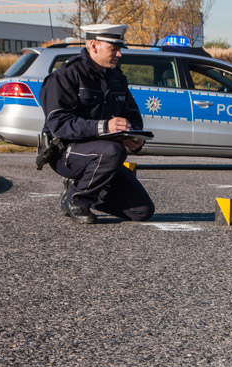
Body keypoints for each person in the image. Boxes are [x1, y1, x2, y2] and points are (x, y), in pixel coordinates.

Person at [39, 24, 154, 224]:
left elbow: (132, 115)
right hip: (65, 151)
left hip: (103, 155)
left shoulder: (116, 78)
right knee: (113, 152)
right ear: (94, 45)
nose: (119, 54)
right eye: (113, 49)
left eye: (120, 49)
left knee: (142, 211)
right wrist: (105, 127)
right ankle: (77, 200)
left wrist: (134, 136)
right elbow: (59, 124)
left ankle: (78, 190)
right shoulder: (66, 75)